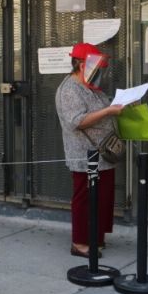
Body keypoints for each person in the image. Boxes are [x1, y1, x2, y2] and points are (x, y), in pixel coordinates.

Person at [54, 43, 125, 258]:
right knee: (85, 198)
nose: (100, 70)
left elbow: (103, 105)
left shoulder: (89, 86)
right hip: (85, 154)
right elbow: (78, 121)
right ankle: (80, 242)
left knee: (103, 197)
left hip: (103, 152)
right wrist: (108, 111)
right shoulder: (69, 89)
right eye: (96, 65)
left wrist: (117, 105)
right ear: (81, 64)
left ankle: (96, 236)